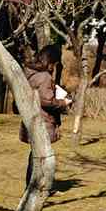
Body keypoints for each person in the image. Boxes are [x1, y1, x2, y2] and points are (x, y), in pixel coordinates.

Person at [20, 43, 68, 189]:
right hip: (43, 120)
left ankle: (32, 186)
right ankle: (35, 187)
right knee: (42, 157)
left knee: (35, 155)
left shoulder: (29, 73)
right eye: (55, 63)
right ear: (51, 61)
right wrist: (63, 102)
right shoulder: (44, 77)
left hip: (30, 118)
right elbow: (47, 101)